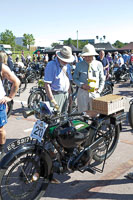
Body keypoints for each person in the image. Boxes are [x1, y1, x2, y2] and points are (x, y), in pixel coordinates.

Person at [73, 43, 105, 113]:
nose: (87, 58)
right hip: (82, 93)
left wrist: (99, 90)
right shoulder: (79, 65)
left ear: (93, 55)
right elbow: (74, 79)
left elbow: (102, 79)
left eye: (89, 56)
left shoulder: (99, 64)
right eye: (85, 56)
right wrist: (82, 85)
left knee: (96, 114)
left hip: (95, 94)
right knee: (83, 114)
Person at [0, 52, 20, 159]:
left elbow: (16, 82)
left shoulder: (2, 67)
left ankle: (1, 151)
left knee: (0, 129)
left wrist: (10, 97)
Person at [44, 46, 74, 113]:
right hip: (55, 95)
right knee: (54, 120)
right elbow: (47, 84)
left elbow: (68, 81)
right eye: (64, 60)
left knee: (63, 119)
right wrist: (52, 100)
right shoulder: (51, 65)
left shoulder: (67, 66)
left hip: (65, 95)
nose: (66, 62)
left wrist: (70, 95)